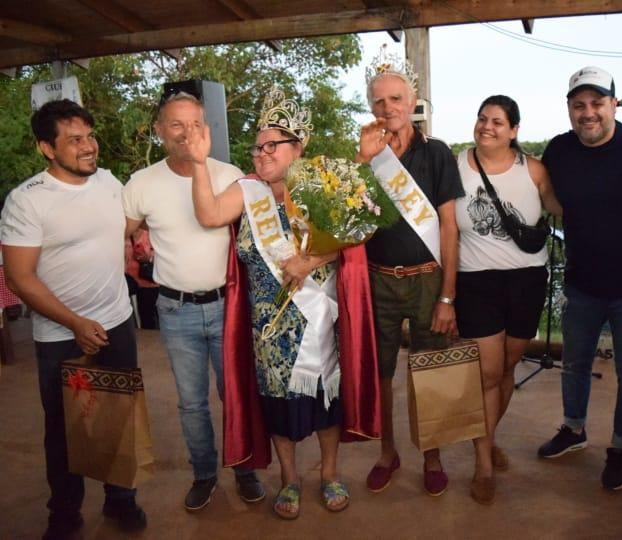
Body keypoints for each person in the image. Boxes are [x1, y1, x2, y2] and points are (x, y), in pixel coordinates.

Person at [187, 87, 367, 519]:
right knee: (278, 407)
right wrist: (197, 163)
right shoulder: (246, 192)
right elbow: (209, 214)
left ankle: (328, 473)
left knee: (325, 404)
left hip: (318, 317)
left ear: (298, 148)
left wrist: (311, 260)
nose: (262, 153)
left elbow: (353, 238)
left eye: (273, 145)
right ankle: (289, 480)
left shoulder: (322, 185)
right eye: (258, 146)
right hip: (269, 329)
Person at [1, 99, 146, 538]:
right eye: (75, 140)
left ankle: (120, 500)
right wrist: (75, 323)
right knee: (65, 428)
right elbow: (21, 278)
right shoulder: (26, 201)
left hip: (118, 322)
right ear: (47, 148)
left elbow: (125, 229)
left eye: (90, 137)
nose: (89, 147)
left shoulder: (107, 181)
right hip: (60, 335)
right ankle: (63, 514)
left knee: (118, 417)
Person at [122, 92, 264, 511]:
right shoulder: (142, 183)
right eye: (176, 125)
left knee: (236, 393)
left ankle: (244, 469)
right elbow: (121, 231)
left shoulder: (230, 174)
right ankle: (204, 474)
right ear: (159, 131)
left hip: (228, 307)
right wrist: (130, 254)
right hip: (175, 308)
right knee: (191, 402)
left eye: (196, 125)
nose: (187, 134)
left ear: (208, 129)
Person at [536, 66, 622, 490]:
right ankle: (573, 429)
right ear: (569, 109)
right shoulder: (559, 150)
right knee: (575, 364)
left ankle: (620, 448)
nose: (588, 113)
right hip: (581, 283)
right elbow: (546, 197)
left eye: (597, 103)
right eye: (579, 105)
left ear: (614, 104)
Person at [356, 45, 464, 497]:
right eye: (379, 101)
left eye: (396, 99)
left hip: (425, 280)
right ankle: (387, 452)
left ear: (412, 100)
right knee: (380, 375)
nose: (388, 109)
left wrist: (447, 298)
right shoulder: (366, 153)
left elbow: (450, 228)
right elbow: (350, 221)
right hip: (377, 278)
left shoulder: (437, 153)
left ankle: (432, 456)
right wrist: (364, 163)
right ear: (370, 106)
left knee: (431, 371)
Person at [454, 95, 561, 504]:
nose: (487, 127)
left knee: (508, 367)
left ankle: (488, 436)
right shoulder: (456, 165)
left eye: (498, 122)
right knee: (486, 373)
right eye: (482, 119)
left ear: (514, 130)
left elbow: (557, 205)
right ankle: (482, 463)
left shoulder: (533, 169)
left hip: (527, 281)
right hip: (476, 281)